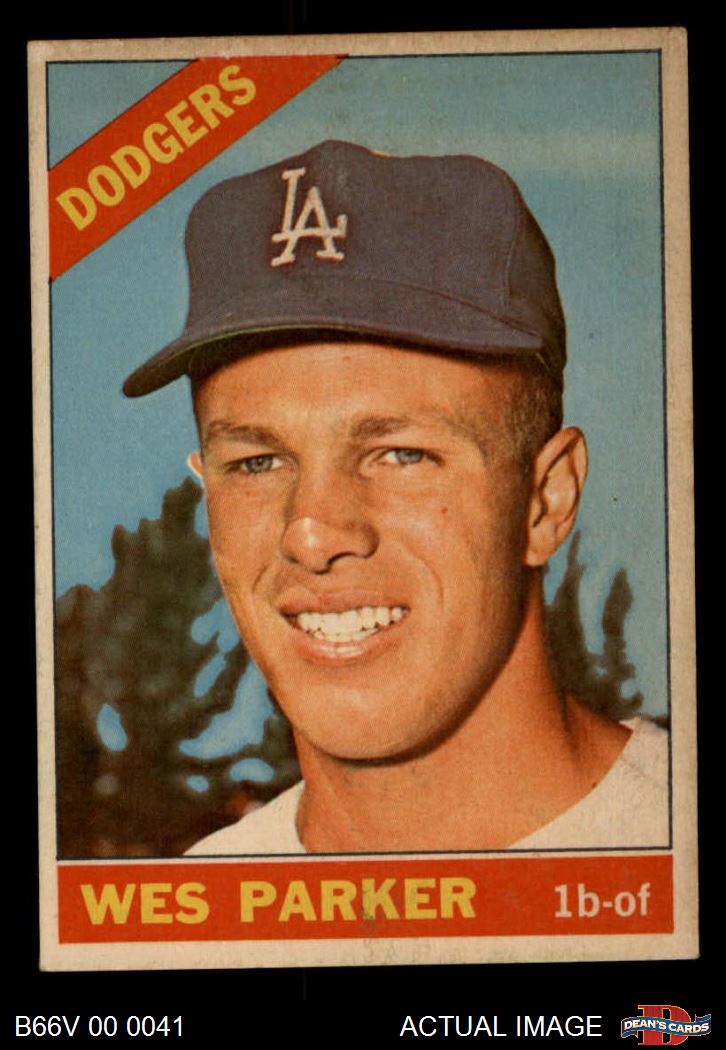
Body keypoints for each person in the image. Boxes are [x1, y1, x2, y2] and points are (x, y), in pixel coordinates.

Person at [123, 139, 668, 854]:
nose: (312, 534)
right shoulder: (197, 897)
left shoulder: (675, 843)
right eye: (257, 462)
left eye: (402, 454)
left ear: (546, 499)